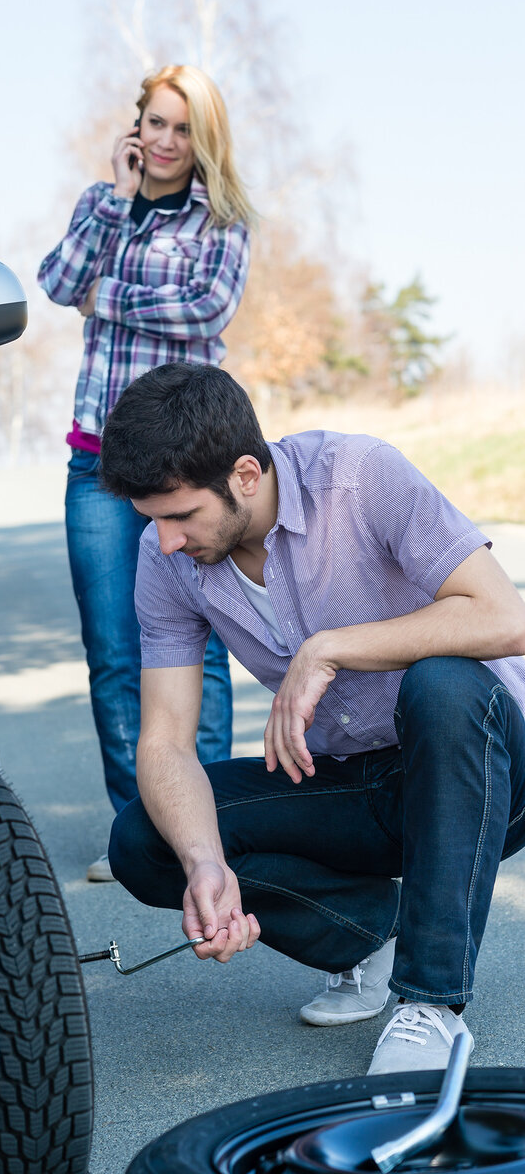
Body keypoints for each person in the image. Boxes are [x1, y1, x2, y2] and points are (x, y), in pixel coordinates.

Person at [98, 360, 525, 1074]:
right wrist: (204, 861)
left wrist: (331, 649)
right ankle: (370, 935)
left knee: (443, 684)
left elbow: (505, 618)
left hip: (485, 769)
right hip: (356, 782)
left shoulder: (357, 478)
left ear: (243, 474)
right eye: (153, 522)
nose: (166, 540)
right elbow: (166, 741)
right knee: (146, 838)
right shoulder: (164, 558)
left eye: (178, 516)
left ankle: (429, 1005)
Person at [38, 66, 255, 880]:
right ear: (136, 129)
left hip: (184, 465)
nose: (165, 141)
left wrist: (108, 294)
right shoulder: (103, 204)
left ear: (203, 139)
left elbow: (205, 310)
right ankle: (139, 832)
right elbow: (58, 284)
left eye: (181, 128)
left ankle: (216, 820)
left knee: (195, 645)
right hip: (96, 463)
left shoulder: (224, 220)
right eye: (154, 124)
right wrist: (119, 205)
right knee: (113, 649)